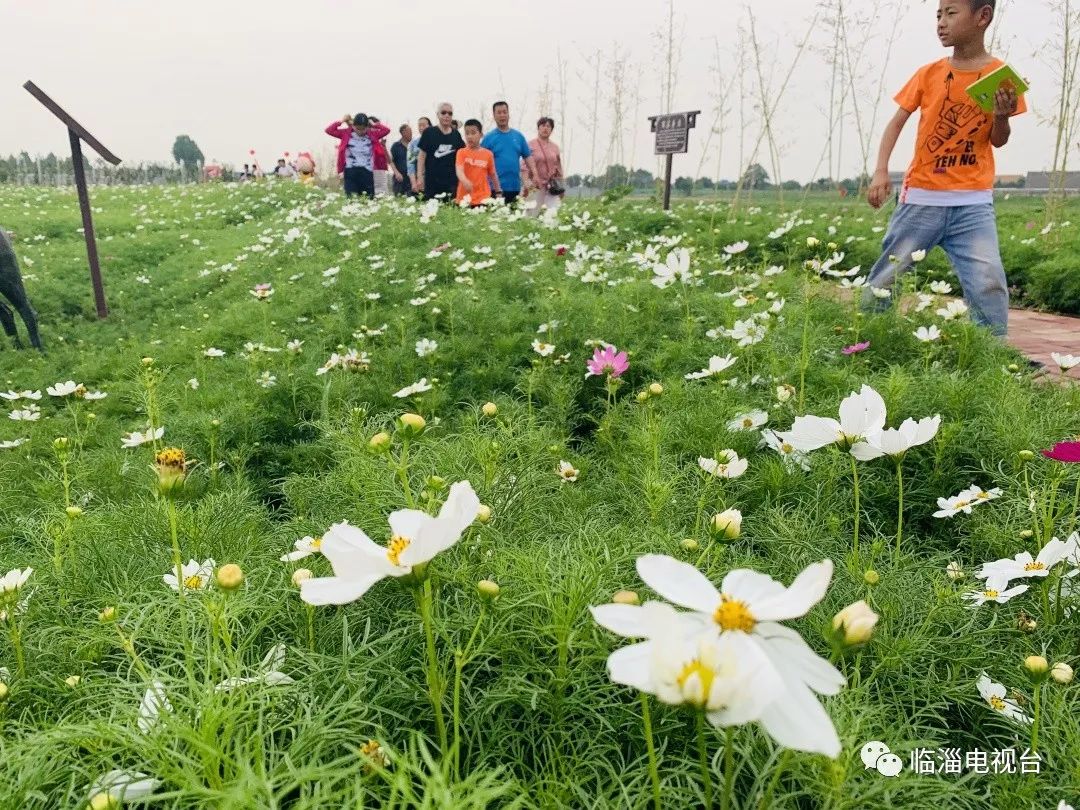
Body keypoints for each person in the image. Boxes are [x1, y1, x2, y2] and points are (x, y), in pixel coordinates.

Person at [862, 0, 1025, 337]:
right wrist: (881, 171)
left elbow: (999, 140)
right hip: (922, 199)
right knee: (885, 277)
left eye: (951, 13)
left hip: (973, 204)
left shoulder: (1000, 78)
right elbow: (895, 124)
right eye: (938, 14)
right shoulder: (929, 74)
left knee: (989, 280)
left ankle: (990, 356)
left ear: (983, 17)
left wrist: (1001, 116)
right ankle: (865, 341)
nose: (941, 22)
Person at [481, 101, 540, 206]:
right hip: (495, 189)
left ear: (508, 114)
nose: (502, 115)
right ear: (494, 116)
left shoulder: (518, 136)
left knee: (512, 219)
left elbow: (528, 156)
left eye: (504, 112)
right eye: (499, 113)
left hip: (514, 187)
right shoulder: (488, 138)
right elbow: (480, 161)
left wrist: (535, 174)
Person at [325, 113, 392, 198]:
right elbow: (329, 130)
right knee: (352, 198)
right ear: (353, 125)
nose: (360, 131)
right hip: (350, 171)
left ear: (367, 127)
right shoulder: (346, 133)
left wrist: (374, 125)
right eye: (358, 129)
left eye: (363, 129)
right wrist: (342, 121)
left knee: (368, 198)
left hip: (367, 171)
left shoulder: (372, 134)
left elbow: (387, 130)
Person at [416, 103, 465, 201]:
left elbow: (462, 156)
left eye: (450, 113)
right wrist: (419, 176)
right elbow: (421, 156)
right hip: (432, 182)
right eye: (443, 112)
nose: (447, 115)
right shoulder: (429, 132)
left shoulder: (456, 134)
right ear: (438, 114)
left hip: (451, 183)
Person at [455, 119, 501, 206]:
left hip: (483, 199)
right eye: (467, 133)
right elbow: (459, 170)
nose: (469, 136)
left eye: (473, 133)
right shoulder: (461, 152)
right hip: (463, 199)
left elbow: (493, 174)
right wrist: (464, 180)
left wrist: (498, 192)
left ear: (481, 135)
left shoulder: (488, 154)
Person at [526, 116, 565, 215]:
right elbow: (524, 167)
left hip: (551, 187)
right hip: (535, 186)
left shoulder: (555, 147)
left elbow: (558, 169)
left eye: (548, 126)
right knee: (532, 215)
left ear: (551, 130)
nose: (545, 128)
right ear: (538, 128)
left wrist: (561, 187)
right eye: (543, 125)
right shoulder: (530, 145)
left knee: (553, 214)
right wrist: (527, 184)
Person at [408, 117, 430, 193]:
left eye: (423, 125)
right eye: (419, 125)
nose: (421, 128)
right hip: (421, 179)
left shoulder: (437, 141)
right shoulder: (413, 144)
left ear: (430, 126)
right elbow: (410, 164)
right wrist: (414, 183)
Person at [391, 124, 413, 196]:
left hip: (411, 178)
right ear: (403, 133)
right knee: (399, 199)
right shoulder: (396, 146)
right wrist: (396, 173)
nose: (411, 133)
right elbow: (391, 161)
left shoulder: (413, 145)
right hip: (399, 178)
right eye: (409, 131)